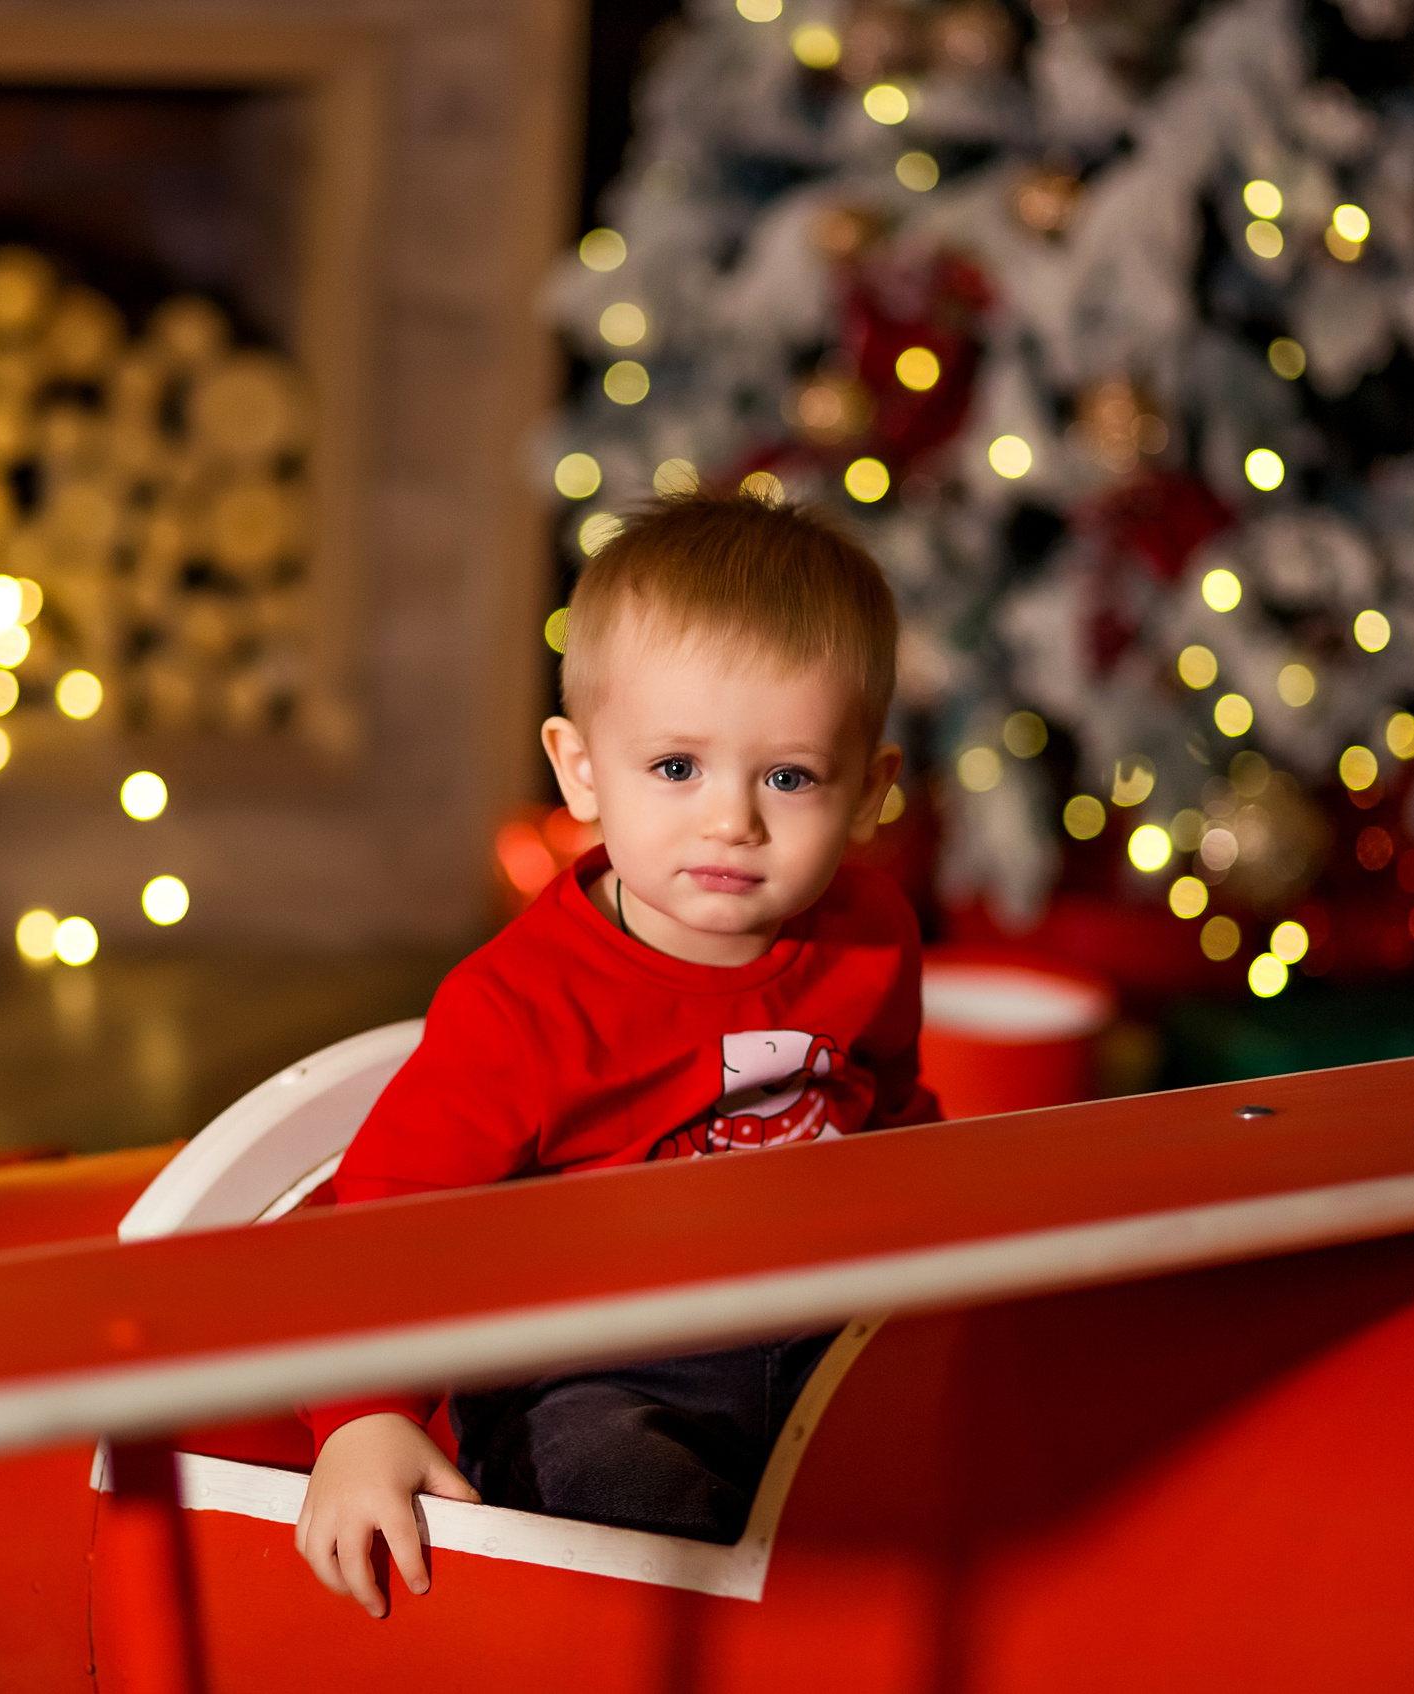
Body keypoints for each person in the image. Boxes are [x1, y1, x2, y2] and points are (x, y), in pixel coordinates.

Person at [293, 490, 938, 1617]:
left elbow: (888, 1104)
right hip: (596, 1362)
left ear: (870, 791)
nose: (730, 820)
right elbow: (387, 1218)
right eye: (677, 768)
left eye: (788, 777)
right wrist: (362, 1415)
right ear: (583, 770)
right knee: (628, 1502)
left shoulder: (870, 933)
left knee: (994, 1445)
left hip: (822, 1320)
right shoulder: (521, 1010)